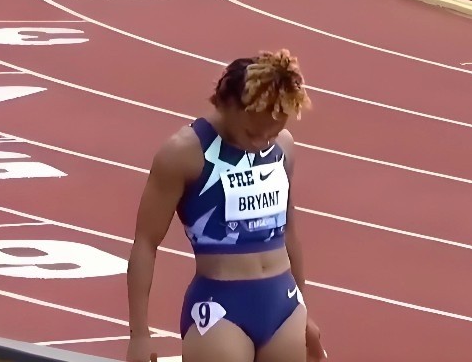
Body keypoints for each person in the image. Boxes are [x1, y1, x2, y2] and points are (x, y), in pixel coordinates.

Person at [126, 50, 325, 362]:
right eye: (252, 132)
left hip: (284, 306)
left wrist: (304, 311)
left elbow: (289, 233)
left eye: (271, 133)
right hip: (221, 311)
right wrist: (139, 334)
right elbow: (145, 242)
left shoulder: (283, 147)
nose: (261, 143)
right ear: (225, 103)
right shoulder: (183, 153)